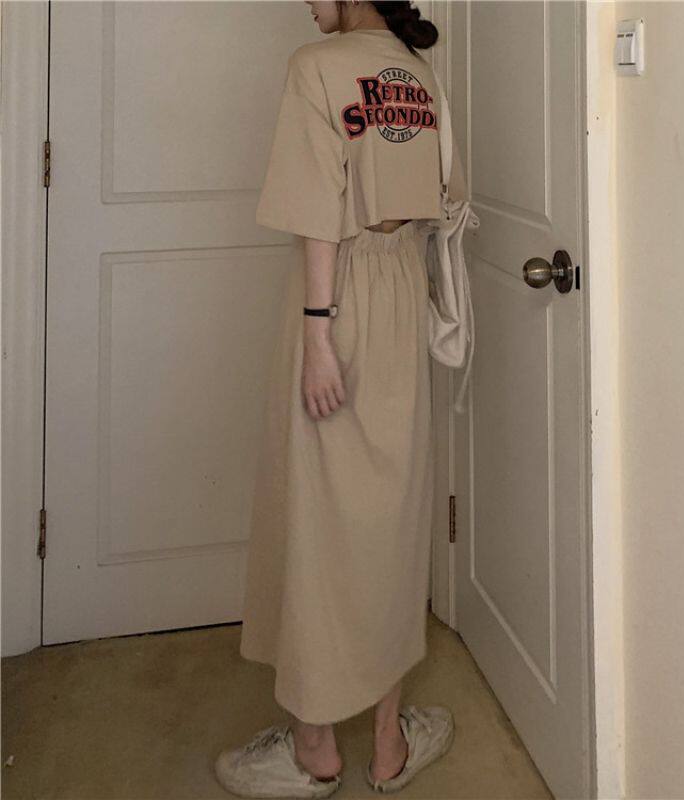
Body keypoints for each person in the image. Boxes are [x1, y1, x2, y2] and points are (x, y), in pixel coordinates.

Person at [214, 1, 469, 797]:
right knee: (392, 512)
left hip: (340, 293)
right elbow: (447, 198)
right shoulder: (421, 76)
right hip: (401, 292)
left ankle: (314, 749)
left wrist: (319, 330)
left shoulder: (316, 67)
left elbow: (317, 212)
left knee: (316, 507)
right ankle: (389, 744)